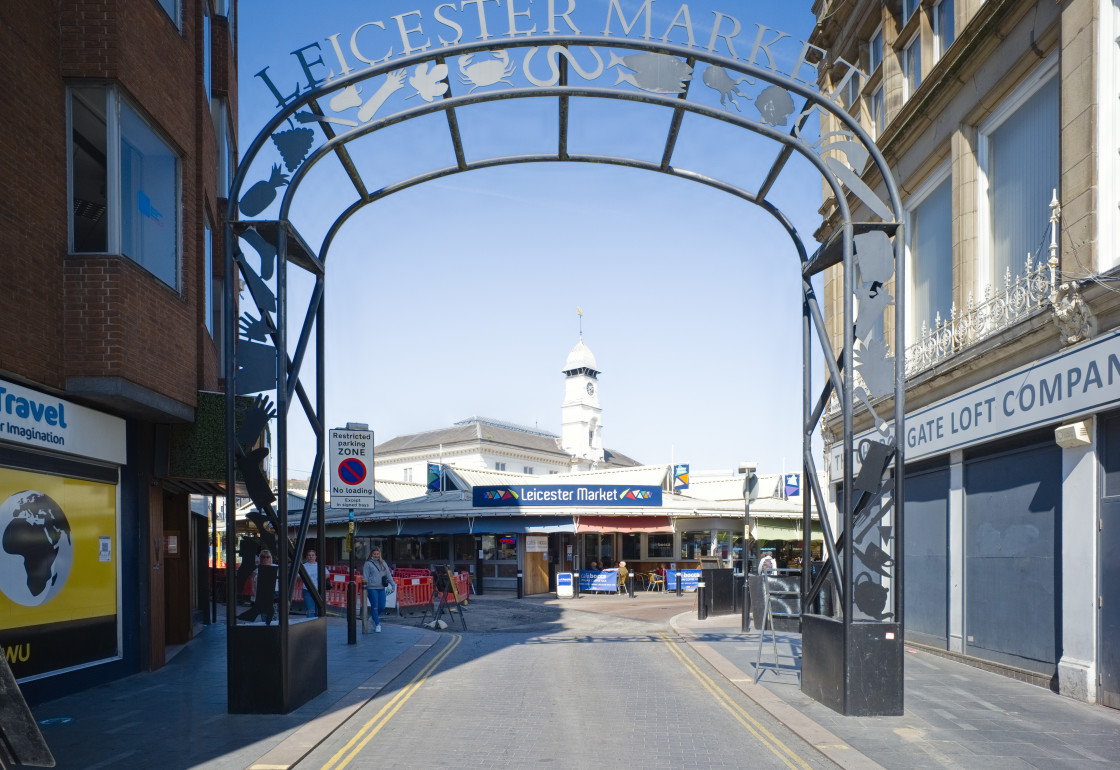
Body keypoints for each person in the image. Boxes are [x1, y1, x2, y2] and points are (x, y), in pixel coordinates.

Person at [362, 547, 395, 632]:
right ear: (371, 554)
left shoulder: (383, 563)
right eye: (374, 554)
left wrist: (393, 584)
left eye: (377, 554)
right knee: (375, 606)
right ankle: (377, 624)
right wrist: (365, 587)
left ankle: (373, 618)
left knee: (382, 606)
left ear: (379, 554)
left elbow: (388, 574)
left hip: (381, 587)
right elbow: (365, 576)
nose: (376, 555)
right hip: (372, 588)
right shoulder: (368, 564)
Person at [301, 549, 319, 617]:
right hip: (307, 590)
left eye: (312, 555)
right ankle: (311, 624)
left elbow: (327, 574)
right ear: (307, 557)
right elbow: (298, 577)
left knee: (318, 609)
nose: (311, 557)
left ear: (315, 556)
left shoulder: (319, 566)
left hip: (318, 590)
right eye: (309, 555)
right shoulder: (304, 566)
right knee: (310, 609)